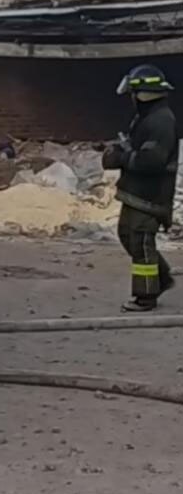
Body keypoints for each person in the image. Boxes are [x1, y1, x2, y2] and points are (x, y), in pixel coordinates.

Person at [103, 64, 179, 312]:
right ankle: (161, 278)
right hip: (136, 193)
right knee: (128, 235)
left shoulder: (161, 121)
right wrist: (119, 151)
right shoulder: (147, 118)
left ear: (142, 94)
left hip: (151, 196)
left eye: (133, 94)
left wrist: (122, 158)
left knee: (141, 241)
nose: (132, 99)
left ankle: (146, 295)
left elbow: (151, 160)